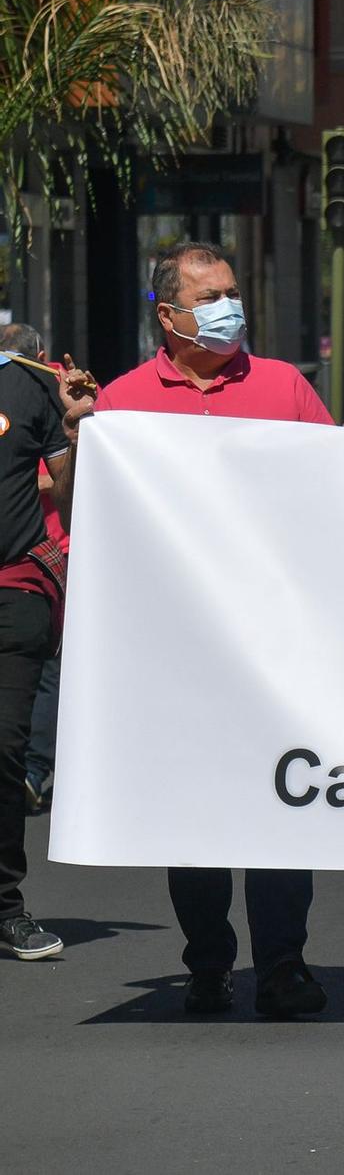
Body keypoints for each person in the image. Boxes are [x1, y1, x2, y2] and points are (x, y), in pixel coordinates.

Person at [90, 241, 329, 1013]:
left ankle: (284, 965)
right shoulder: (123, 403)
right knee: (192, 817)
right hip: (177, 655)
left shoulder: (284, 385)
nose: (229, 307)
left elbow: (341, 494)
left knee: (278, 810)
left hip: (273, 644)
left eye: (232, 291)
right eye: (210, 296)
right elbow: (93, 520)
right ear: (168, 316)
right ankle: (207, 961)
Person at [0, 322, 87, 963]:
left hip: (15, 592)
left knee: (3, 754)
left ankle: (6, 909)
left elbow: (68, 488)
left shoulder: (34, 386)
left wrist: (79, 431)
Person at [0, 324, 67, 815]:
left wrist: (78, 424)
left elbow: (68, 482)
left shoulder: (51, 389)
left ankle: (32, 771)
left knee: (8, 737)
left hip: (25, 576)